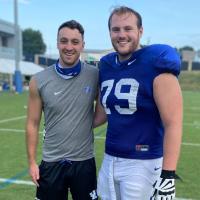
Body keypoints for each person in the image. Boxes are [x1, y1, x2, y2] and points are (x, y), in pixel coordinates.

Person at [95, 6, 183, 200]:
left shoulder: (157, 61)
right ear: (109, 32)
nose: (121, 35)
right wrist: (64, 123)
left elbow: (173, 123)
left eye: (128, 28)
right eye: (116, 29)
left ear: (140, 31)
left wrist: (168, 175)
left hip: (144, 163)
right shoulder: (107, 65)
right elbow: (100, 115)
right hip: (110, 158)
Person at [26, 20, 98, 200]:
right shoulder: (39, 79)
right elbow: (32, 123)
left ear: (83, 45)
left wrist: (84, 123)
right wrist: (32, 162)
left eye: (75, 42)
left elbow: (108, 108)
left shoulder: (95, 75)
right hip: (51, 163)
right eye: (64, 41)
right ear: (57, 43)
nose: (69, 47)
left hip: (84, 162)